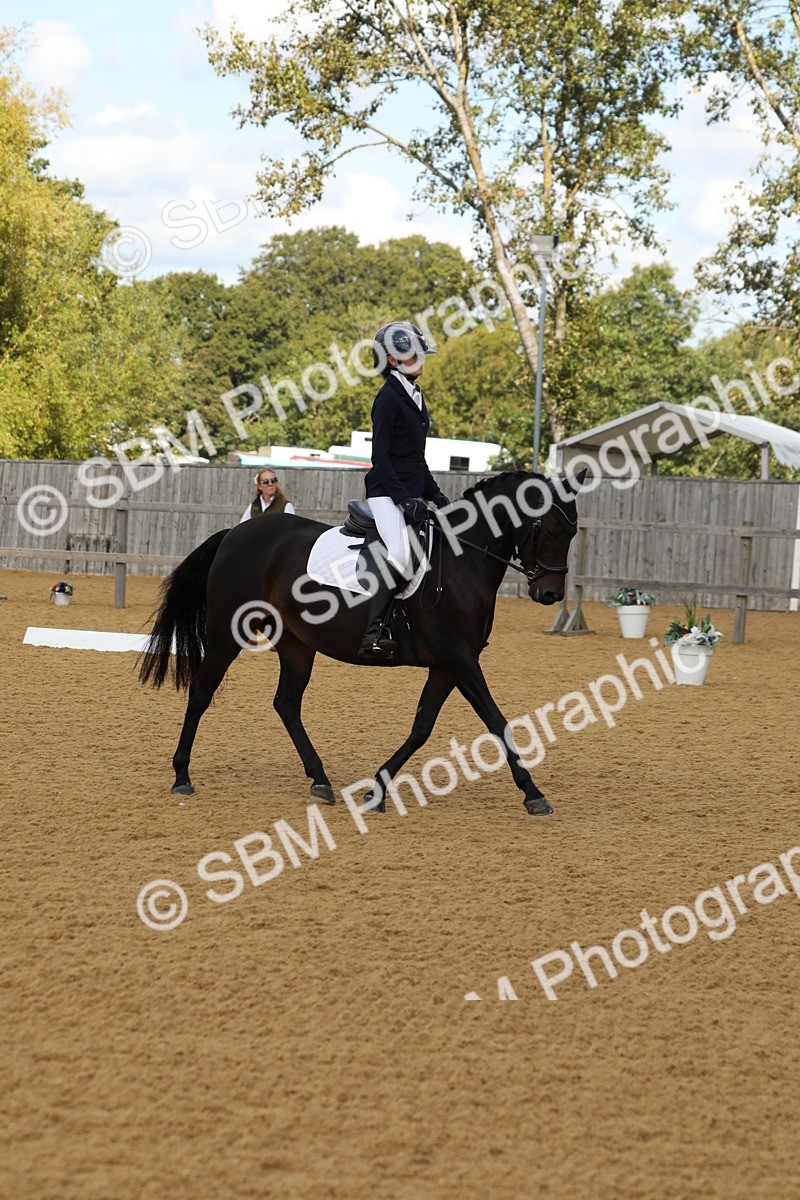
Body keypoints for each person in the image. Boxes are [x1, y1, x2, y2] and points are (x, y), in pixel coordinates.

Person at [358, 320, 449, 660]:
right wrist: (404, 499)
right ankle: (373, 634)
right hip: (385, 493)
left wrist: (436, 496)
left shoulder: (414, 395)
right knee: (398, 552)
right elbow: (379, 458)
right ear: (393, 361)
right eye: (413, 355)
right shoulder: (388, 399)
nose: (421, 359)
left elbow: (415, 460)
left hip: (410, 494)